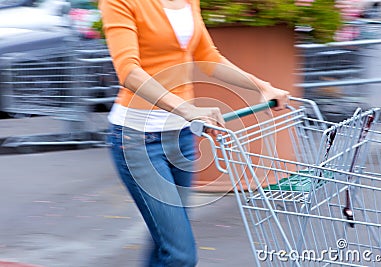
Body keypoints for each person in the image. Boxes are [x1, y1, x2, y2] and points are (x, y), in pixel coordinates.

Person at [99, 0, 290, 266]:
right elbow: (129, 71)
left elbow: (208, 57)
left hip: (181, 140)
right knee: (180, 255)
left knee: (165, 245)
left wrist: (260, 86)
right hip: (138, 141)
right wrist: (186, 109)